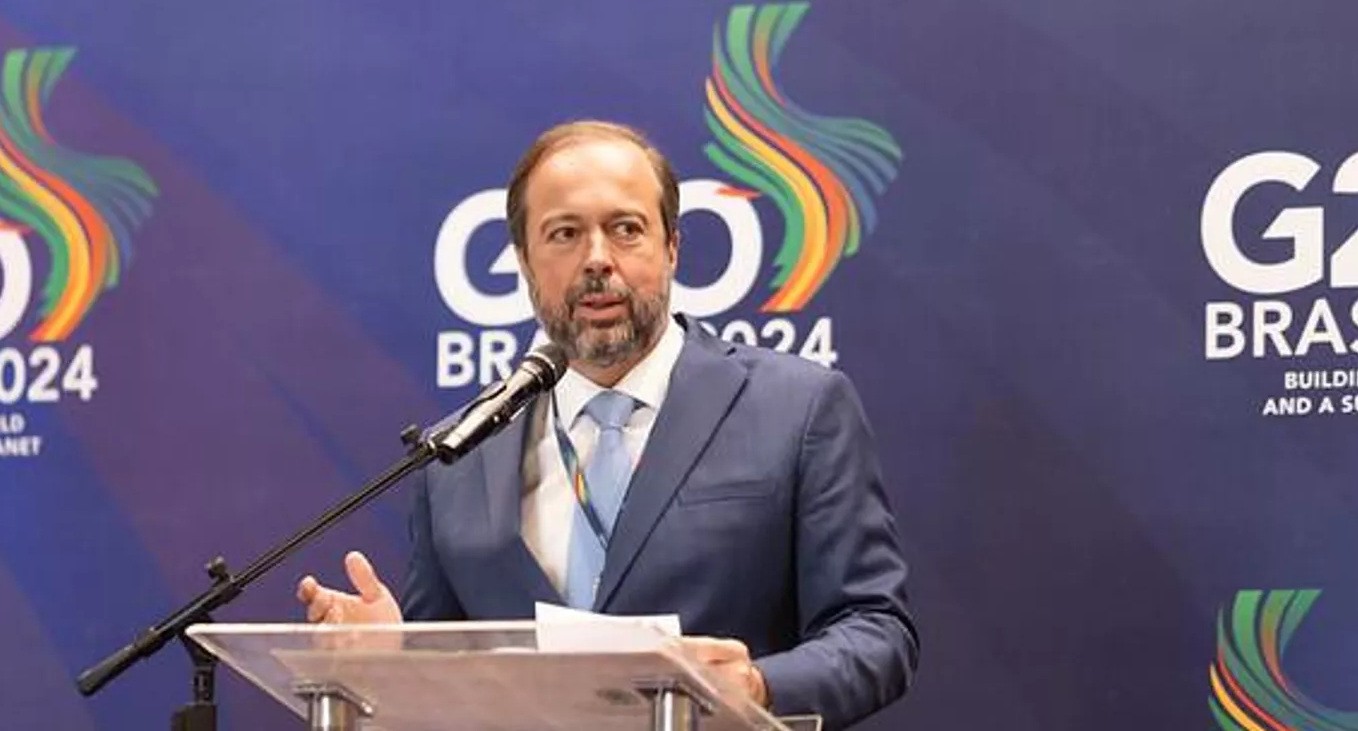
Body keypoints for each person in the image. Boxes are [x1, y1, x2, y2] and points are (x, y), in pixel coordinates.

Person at [297, 120, 917, 727]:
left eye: (625, 229)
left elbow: (875, 630)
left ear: (672, 247)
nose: (597, 260)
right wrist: (396, 659)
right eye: (564, 234)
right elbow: (454, 676)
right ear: (524, 260)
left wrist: (758, 683)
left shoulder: (798, 409)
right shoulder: (460, 453)